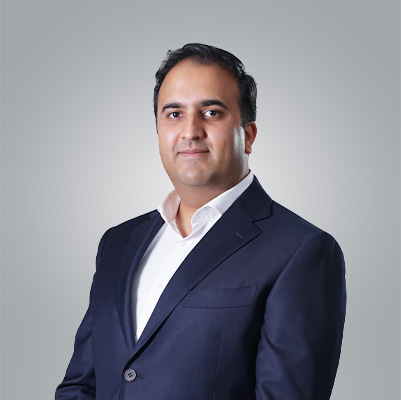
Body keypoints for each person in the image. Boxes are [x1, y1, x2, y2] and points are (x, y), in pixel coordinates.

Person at [56, 43, 346, 400]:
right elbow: (81, 383)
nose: (190, 130)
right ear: (159, 131)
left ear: (248, 135)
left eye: (211, 112)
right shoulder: (117, 242)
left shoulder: (300, 251)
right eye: (174, 114)